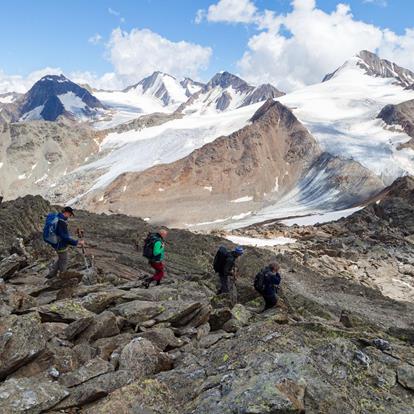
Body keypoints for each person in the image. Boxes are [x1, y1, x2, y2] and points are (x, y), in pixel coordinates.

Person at [45, 207, 84, 279]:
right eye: (70, 215)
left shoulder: (58, 217)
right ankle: (63, 278)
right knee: (64, 260)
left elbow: (61, 233)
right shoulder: (61, 222)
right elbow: (65, 238)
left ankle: (51, 274)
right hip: (60, 245)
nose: (70, 216)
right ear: (67, 212)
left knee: (61, 258)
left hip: (56, 243)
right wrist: (77, 242)